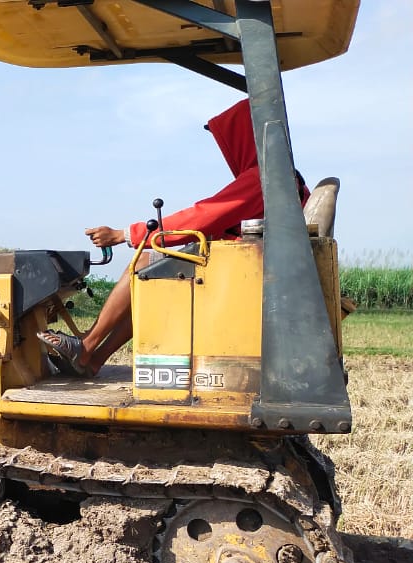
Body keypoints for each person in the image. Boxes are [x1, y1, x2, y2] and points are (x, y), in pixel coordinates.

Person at [38, 98, 307, 377]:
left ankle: (87, 343)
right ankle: (93, 358)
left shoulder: (263, 179)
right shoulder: (279, 179)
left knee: (144, 261)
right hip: (252, 265)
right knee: (152, 278)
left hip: (244, 272)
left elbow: (203, 217)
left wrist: (125, 234)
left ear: (245, 138)